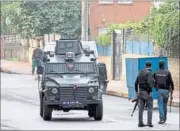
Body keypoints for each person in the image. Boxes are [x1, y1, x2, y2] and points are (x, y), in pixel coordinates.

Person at [135, 61, 154, 127]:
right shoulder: (150, 73)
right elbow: (149, 83)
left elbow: (136, 83)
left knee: (141, 108)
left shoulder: (140, 72)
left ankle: (140, 123)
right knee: (150, 107)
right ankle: (149, 123)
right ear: (150, 66)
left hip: (140, 92)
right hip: (147, 92)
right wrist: (150, 91)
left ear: (145, 66)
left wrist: (136, 92)